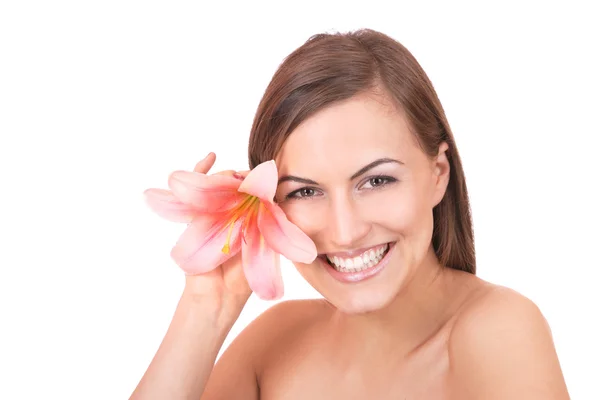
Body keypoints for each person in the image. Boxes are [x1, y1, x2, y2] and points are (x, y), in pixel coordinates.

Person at [130, 28, 570, 399]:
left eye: (376, 181)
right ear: (272, 206)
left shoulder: (498, 330)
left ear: (438, 174)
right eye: (305, 191)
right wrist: (206, 310)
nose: (344, 231)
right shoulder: (273, 340)